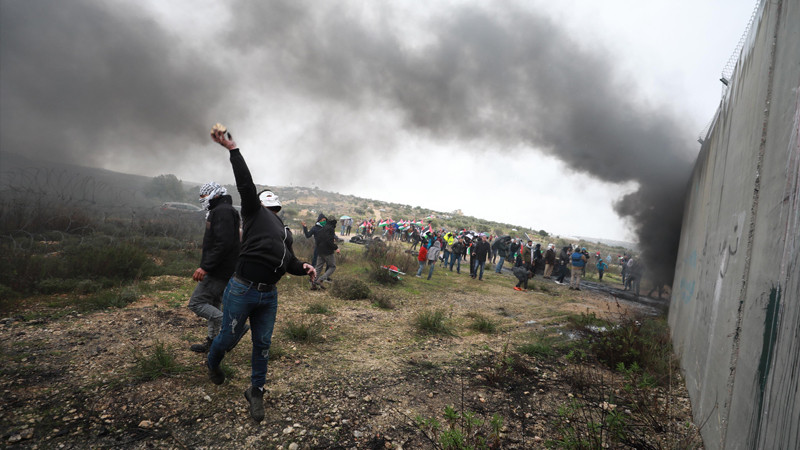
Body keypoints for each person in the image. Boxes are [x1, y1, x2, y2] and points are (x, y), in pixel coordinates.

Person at [206, 127, 316, 423]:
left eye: (275, 202)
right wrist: (233, 149)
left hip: (268, 295)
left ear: (278, 206)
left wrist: (303, 267)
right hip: (242, 289)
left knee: (263, 344)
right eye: (268, 200)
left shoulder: (283, 232)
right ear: (261, 203)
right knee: (228, 338)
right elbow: (245, 183)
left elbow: (288, 263)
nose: (273, 205)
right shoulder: (253, 213)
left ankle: (256, 391)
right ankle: (213, 363)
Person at [188, 181, 242, 353]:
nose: (202, 199)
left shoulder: (222, 211)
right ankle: (213, 342)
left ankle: (234, 328)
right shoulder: (223, 210)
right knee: (214, 303)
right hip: (224, 267)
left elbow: (223, 243)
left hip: (218, 269)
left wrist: (205, 266)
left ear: (215, 194)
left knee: (197, 303)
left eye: (204, 195)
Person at [311, 218, 339, 290]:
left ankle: (313, 284)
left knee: (318, 267)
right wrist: (336, 247)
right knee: (332, 266)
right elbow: (329, 241)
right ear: (333, 224)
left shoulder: (321, 229)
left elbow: (317, 241)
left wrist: (319, 248)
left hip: (320, 251)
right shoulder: (331, 229)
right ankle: (320, 280)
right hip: (328, 252)